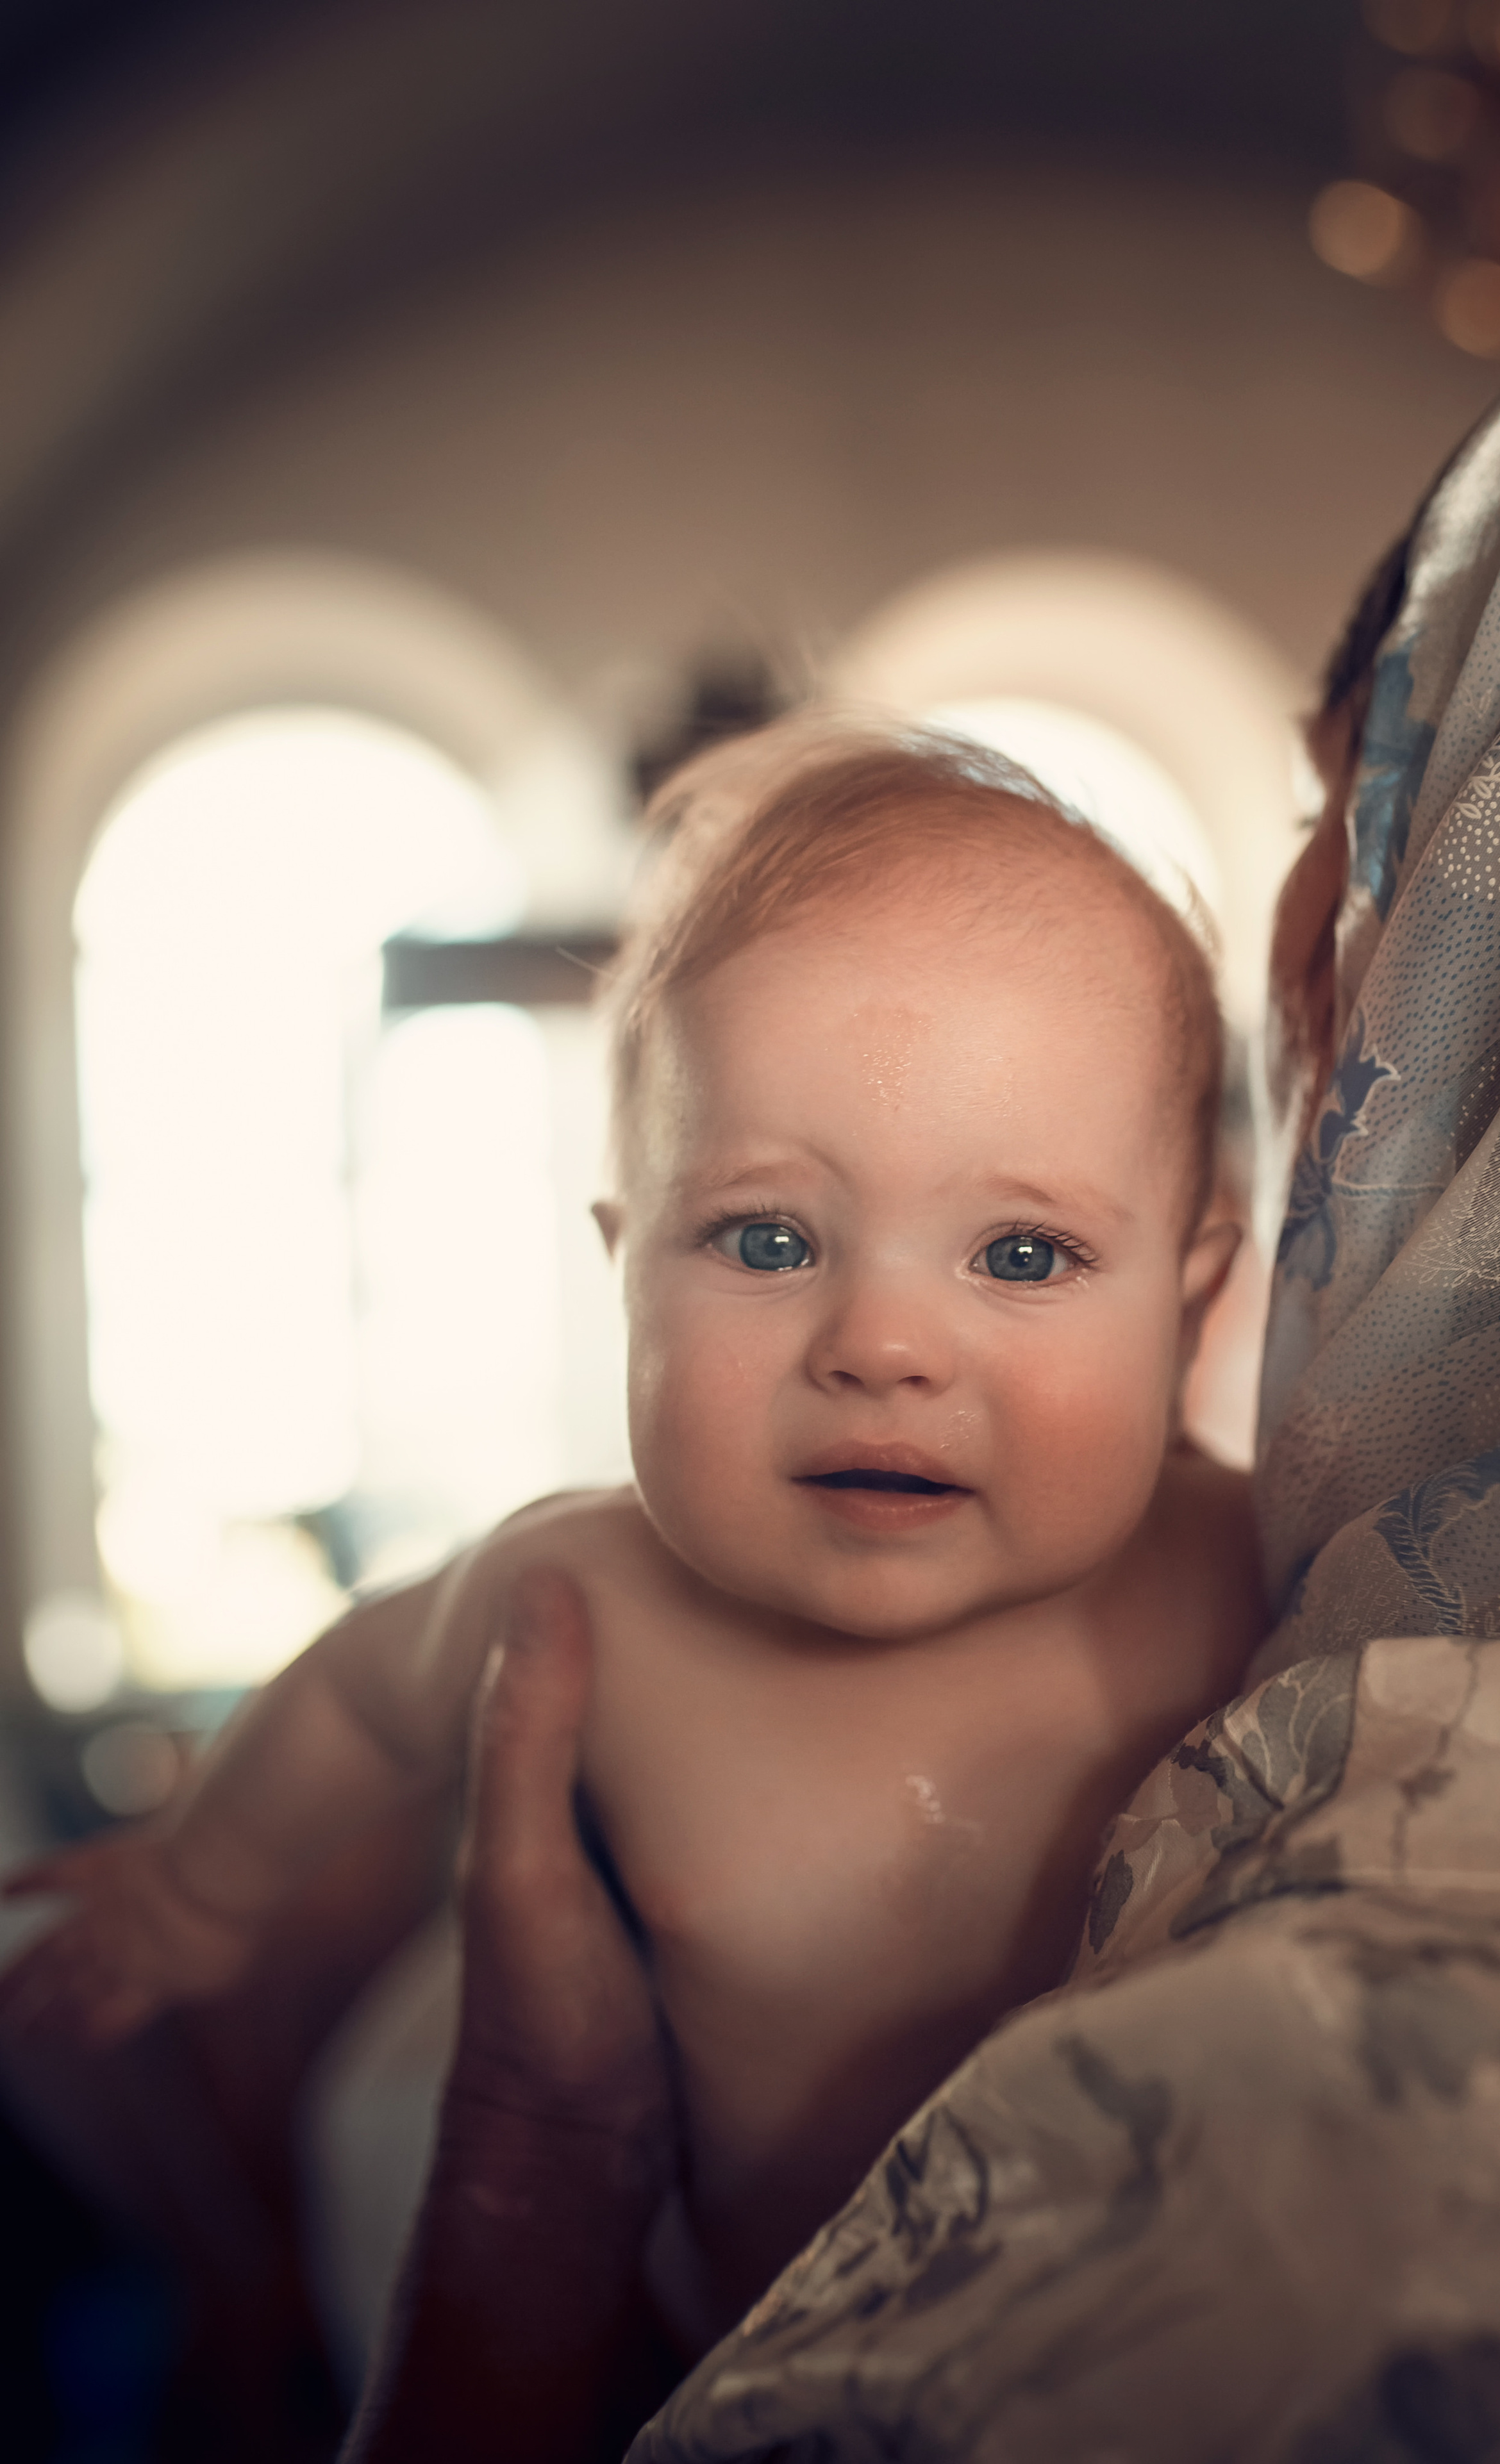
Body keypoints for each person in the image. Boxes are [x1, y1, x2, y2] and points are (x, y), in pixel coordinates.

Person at [351, 301, 1500, 2461]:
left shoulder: (1328, 2075)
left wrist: (522, 2174)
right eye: (767, 1232)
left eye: (1374, 813)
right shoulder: (1326, 1664)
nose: (1306, 964)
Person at [2, 723, 1263, 2362]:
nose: (881, 1341)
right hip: (728, 2359)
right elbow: (361, 1696)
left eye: (1020, 1255)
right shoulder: (587, 1600)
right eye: (766, 1236)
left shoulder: (1238, 1573)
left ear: (1186, 1289)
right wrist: (200, 1892)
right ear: (622, 1262)